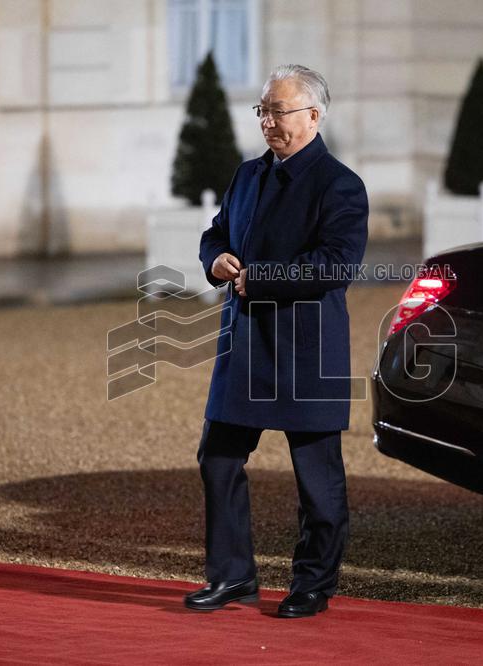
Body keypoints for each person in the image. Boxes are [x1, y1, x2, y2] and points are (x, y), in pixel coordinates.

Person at [185, 65, 368, 618]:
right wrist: (214, 259)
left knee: (317, 481)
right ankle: (233, 577)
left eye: (278, 110)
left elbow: (336, 264)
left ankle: (314, 583)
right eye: (262, 109)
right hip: (244, 344)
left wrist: (259, 276)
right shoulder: (246, 175)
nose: (268, 121)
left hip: (305, 352)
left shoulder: (341, 185)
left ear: (314, 116)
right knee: (217, 459)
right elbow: (216, 232)